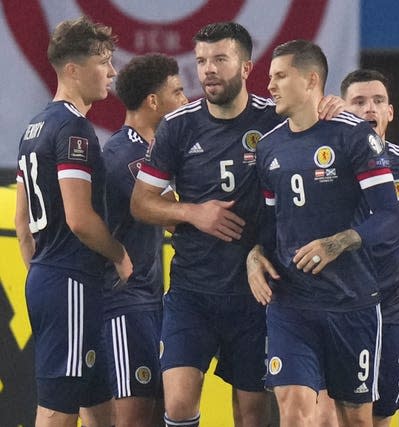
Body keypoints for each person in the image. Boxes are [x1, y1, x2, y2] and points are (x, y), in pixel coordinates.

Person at [130, 23, 342, 427]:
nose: (208, 69)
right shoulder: (179, 126)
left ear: (246, 67)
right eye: (201, 61)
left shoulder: (275, 119)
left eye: (220, 59)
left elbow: (324, 131)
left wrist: (335, 107)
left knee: (250, 412)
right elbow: (141, 203)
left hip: (256, 294)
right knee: (176, 402)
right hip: (193, 289)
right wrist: (193, 212)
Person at [246, 40, 399, 427]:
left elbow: (388, 215)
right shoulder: (268, 147)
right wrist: (253, 255)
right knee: (295, 409)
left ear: (311, 80)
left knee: (357, 420)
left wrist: (339, 242)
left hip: (353, 301)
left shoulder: (353, 136)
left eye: (280, 76)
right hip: (291, 303)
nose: (271, 86)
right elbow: (268, 225)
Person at [14, 16, 132, 427]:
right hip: (71, 283)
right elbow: (80, 218)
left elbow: (22, 227)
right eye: (104, 61)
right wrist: (119, 254)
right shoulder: (73, 128)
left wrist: (42, 274)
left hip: (52, 279)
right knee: (56, 411)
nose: (113, 71)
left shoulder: (33, 128)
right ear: (73, 70)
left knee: (98, 407)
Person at [102, 53, 188, 427]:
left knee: (153, 414)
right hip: (124, 304)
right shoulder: (127, 154)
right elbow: (177, 220)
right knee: (134, 418)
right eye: (179, 92)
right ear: (153, 102)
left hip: (150, 301)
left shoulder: (150, 153)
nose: (186, 101)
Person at [340, 69, 399, 427]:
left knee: (380, 415)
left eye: (378, 101)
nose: (369, 108)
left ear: (391, 112)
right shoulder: (325, 162)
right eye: (358, 102)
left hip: (390, 309)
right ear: (343, 110)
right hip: (335, 304)